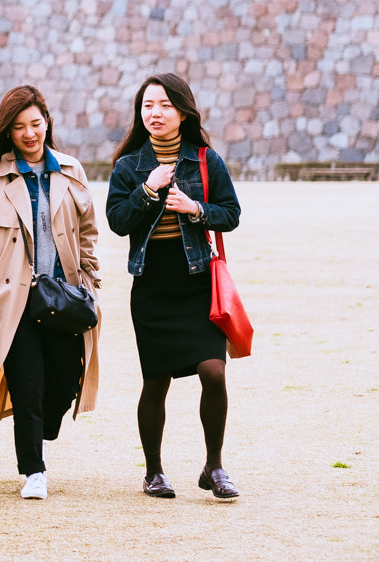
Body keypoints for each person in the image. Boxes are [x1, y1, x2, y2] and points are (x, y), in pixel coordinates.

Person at [0, 86, 101, 500]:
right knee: (27, 384)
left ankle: (45, 428)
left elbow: (89, 231)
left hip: (64, 297)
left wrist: (89, 281)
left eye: (35, 124)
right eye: (19, 127)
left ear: (47, 123)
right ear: (8, 131)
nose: (29, 134)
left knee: (60, 381)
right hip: (13, 301)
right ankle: (33, 469)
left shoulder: (71, 171)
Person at [106, 73, 243, 501]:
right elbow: (117, 221)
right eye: (148, 105)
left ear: (183, 112)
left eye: (164, 105)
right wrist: (147, 191)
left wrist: (196, 209)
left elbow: (231, 213)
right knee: (155, 381)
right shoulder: (128, 167)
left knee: (214, 371)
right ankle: (154, 472)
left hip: (197, 281)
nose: (155, 113)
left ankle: (214, 467)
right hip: (152, 286)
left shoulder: (206, 160)